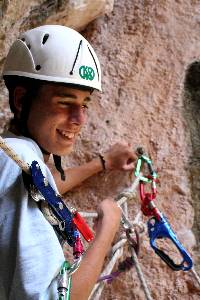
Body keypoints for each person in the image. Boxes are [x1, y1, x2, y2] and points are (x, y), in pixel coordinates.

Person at [0, 25, 136, 299]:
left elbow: (42, 190)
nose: (79, 119)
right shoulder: (21, 162)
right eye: (65, 102)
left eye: (84, 104)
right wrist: (107, 231)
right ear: (21, 98)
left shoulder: (9, 153)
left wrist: (103, 162)